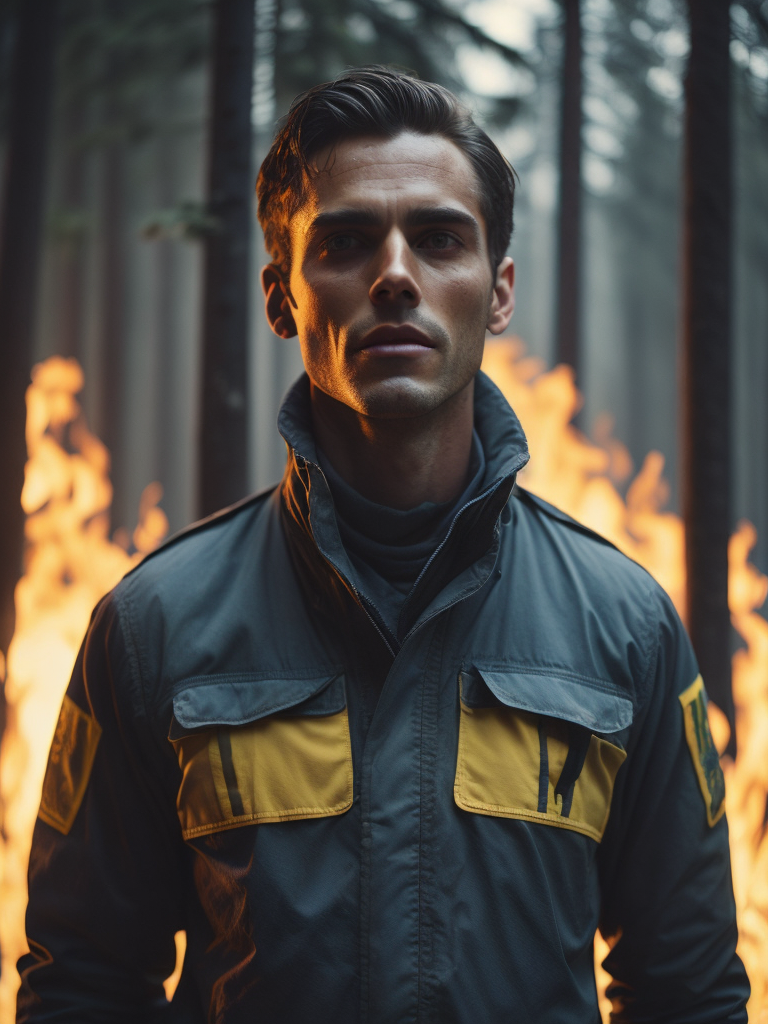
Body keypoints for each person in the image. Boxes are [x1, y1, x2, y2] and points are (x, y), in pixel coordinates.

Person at [18, 66, 748, 1023]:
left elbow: (689, 994)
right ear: (281, 297)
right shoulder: (153, 627)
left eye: (440, 239)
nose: (395, 275)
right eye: (346, 241)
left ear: (498, 293)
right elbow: (82, 988)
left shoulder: (627, 627)